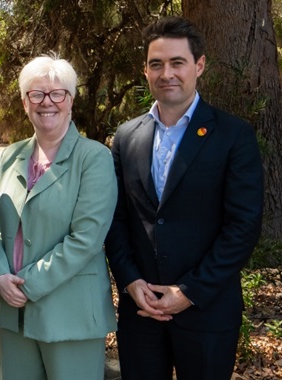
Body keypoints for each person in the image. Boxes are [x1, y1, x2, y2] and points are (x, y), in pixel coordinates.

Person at [105, 16, 264, 380]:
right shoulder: (127, 137)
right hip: (141, 312)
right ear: (145, 71)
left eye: (177, 62)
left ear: (199, 65)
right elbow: (115, 219)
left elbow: (242, 226)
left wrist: (188, 291)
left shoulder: (233, 136)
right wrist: (130, 281)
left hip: (207, 311)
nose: (167, 73)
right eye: (156, 64)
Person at [0, 55, 118, 380]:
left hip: (70, 314)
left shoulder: (94, 158)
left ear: (71, 100)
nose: (47, 102)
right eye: (36, 94)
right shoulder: (11, 156)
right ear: (25, 101)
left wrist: (28, 285)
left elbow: (87, 238)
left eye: (58, 93)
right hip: (14, 311)